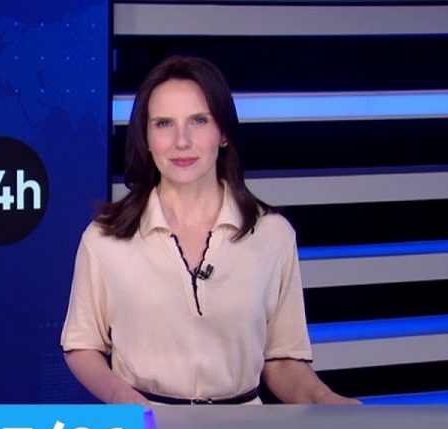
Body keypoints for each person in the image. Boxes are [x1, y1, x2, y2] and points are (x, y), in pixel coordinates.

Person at [61, 56, 357, 406]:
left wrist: (325, 400)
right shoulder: (104, 238)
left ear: (224, 133)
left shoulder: (273, 235)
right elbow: (82, 345)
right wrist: (126, 402)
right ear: (146, 137)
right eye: (164, 124)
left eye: (199, 121)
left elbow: (282, 360)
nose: (181, 141)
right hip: (147, 427)